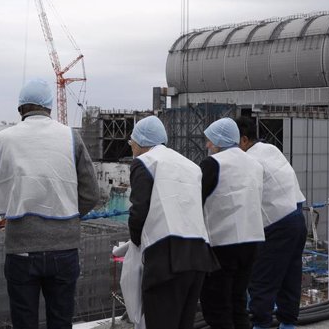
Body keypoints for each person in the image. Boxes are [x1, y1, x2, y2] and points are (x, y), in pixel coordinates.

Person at [0, 78, 99, 329]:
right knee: (61, 321)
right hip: (64, 248)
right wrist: (69, 214)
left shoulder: (3, 138)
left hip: (20, 248)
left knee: (24, 321)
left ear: (21, 108)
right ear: (50, 108)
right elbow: (91, 193)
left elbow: (1, 191)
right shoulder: (70, 137)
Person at [127, 116, 219, 329]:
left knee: (160, 320)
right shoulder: (190, 165)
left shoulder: (145, 163)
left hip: (166, 256)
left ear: (141, 143)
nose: (131, 149)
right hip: (198, 254)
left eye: (131, 144)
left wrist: (135, 243)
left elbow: (139, 211)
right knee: (183, 322)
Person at [235, 117, 307, 329]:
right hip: (297, 216)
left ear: (244, 140)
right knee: (289, 277)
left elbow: (243, 198)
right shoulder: (270, 150)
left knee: (262, 279)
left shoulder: (248, 160)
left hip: (277, 222)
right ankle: (287, 323)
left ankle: (260, 324)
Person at [200, 117, 264, 329]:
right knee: (238, 302)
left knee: (217, 305)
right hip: (252, 241)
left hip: (222, 243)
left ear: (218, 141)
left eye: (209, 140)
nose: (207, 145)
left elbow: (196, 201)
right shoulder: (254, 164)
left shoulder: (213, 164)